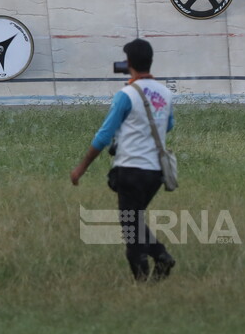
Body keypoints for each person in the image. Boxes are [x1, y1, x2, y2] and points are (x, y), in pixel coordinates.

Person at [70, 38, 177, 284]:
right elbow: (168, 125)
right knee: (134, 221)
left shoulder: (126, 95)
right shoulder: (166, 93)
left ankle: (157, 262)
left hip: (130, 170)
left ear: (127, 63)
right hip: (155, 173)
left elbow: (103, 136)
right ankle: (150, 276)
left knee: (130, 226)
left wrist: (80, 169)